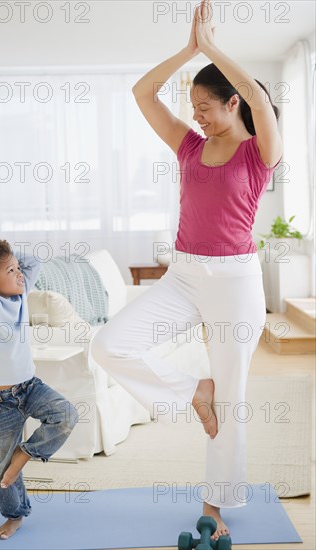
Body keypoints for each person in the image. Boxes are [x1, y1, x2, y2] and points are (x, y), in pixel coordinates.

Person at [91, 0, 283, 542]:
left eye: (205, 105)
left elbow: (262, 104)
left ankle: (214, 510)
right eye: (192, 106)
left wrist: (216, 49)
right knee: (110, 346)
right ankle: (191, 392)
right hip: (184, 275)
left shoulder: (258, 152)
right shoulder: (189, 147)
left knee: (233, 397)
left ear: (232, 102)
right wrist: (190, 50)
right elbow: (141, 94)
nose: (196, 114)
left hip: (236, 282)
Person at [0, 225, 79, 540]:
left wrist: (4, 250)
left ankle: (24, 454)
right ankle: (15, 516)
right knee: (1, 468)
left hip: (29, 387)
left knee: (66, 415)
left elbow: (32, 263)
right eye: (10, 271)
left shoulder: (22, 293)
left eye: (17, 269)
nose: (19, 274)